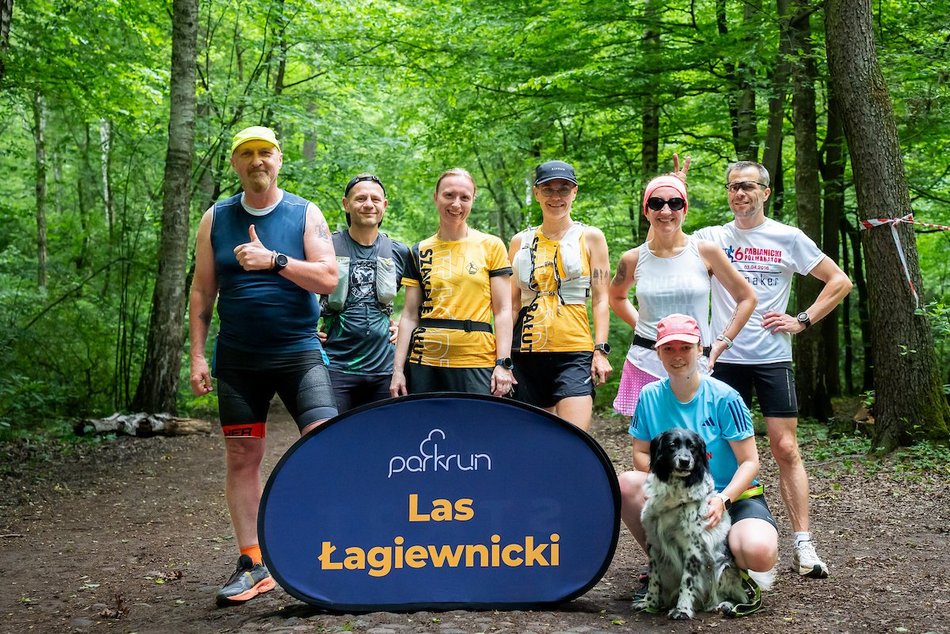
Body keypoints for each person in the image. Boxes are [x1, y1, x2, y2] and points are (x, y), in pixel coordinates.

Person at [188, 126, 338, 606]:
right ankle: (252, 563)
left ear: (279, 159)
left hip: (298, 352)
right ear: (236, 163)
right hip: (239, 359)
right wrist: (194, 353)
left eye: (265, 153)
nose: (257, 161)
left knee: (323, 442)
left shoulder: (304, 212)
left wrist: (273, 260)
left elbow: (328, 279)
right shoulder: (216, 218)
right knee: (241, 457)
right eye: (247, 154)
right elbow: (201, 290)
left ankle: (328, 550)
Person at [694, 161, 853, 578]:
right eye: (732, 187)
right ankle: (718, 538)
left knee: (785, 448)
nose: (738, 194)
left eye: (747, 186)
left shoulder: (787, 237)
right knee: (720, 450)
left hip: (771, 357)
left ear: (765, 191)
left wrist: (802, 319)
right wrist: (675, 188)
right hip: (722, 359)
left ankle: (804, 545)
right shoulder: (713, 238)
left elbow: (839, 281)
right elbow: (666, 240)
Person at [618, 314, 779, 607]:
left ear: (700, 350)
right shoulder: (649, 396)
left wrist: (722, 500)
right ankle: (667, 568)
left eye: (685, 348)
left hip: (731, 496)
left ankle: (729, 571)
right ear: (658, 352)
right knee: (627, 484)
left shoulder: (725, 397)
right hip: (676, 496)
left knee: (759, 552)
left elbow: (750, 462)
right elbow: (641, 454)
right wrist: (670, 490)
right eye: (669, 349)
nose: (677, 356)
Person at [608, 173, 756, 418]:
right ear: (646, 210)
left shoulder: (705, 251)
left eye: (675, 203)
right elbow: (616, 297)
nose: (666, 211)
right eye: (656, 203)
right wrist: (645, 327)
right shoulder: (632, 259)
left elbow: (747, 297)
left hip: (694, 361)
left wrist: (721, 344)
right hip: (646, 360)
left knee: (697, 441)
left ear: (684, 209)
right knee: (650, 444)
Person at [389, 168, 515, 397]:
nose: (456, 204)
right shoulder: (419, 251)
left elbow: (503, 310)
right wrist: (398, 370)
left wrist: (503, 363)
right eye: (449, 195)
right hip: (425, 361)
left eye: (464, 197)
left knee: (474, 428)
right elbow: (409, 315)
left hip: (476, 358)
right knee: (427, 430)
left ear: (472, 201)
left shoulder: (491, 246)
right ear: (436, 197)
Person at [508, 160, 612, 431]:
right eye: (548, 189)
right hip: (526, 352)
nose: (556, 197)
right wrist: (502, 357)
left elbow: (601, 299)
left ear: (574, 192)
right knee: (532, 438)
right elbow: (510, 304)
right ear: (537, 193)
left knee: (574, 438)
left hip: (574, 350)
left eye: (563, 189)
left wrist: (600, 351)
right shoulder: (520, 242)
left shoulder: (591, 238)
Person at [320, 174, 410, 412]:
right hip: (335, 367)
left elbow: (420, 302)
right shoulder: (326, 247)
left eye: (375, 199)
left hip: (385, 369)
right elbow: (299, 291)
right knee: (334, 436)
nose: (368, 204)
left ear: (384, 205)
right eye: (360, 198)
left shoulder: (400, 251)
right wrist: (306, 330)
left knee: (380, 441)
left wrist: (405, 325)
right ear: (346, 204)